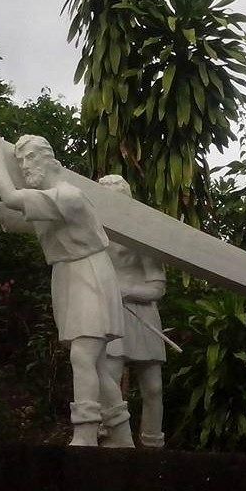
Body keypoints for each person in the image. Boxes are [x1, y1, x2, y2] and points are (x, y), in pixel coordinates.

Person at [0, 130, 134, 447]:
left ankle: (87, 432)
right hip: (67, 276)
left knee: (83, 355)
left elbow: (9, 197)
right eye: (19, 161)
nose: (24, 166)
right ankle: (122, 436)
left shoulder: (67, 196)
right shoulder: (44, 205)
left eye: (30, 158)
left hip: (88, 271)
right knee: (97, 363)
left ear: (49, 160)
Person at [99, 174, 167, 448]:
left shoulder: (142, 239)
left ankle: (152, 443)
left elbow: (158, 287)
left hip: (143, 315)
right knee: (108, 380)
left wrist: (126, 292)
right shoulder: (94, 235)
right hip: (111, 313)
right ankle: (111, 437)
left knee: (153, 387)